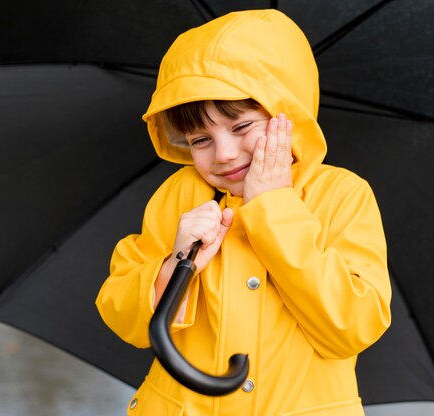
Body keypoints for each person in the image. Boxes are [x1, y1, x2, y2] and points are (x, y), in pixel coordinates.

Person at [96, 9, 391, 416]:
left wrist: (272, 207)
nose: (224, 154)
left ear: (287, 115)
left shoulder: (342, 196)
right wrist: (174, 265)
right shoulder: (183, 195)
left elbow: (352, 325)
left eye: (240, 127)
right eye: (200, 139)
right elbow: (122, 312)